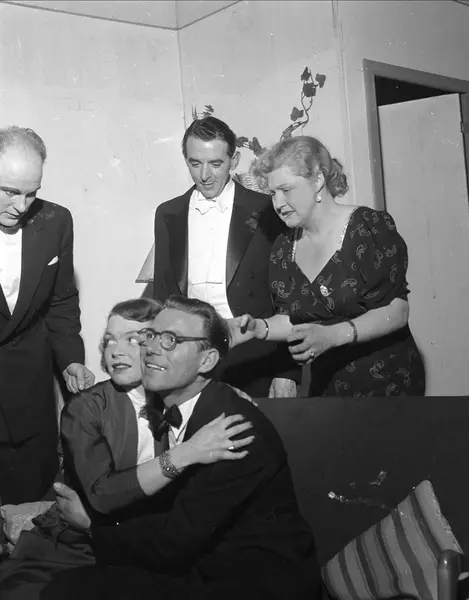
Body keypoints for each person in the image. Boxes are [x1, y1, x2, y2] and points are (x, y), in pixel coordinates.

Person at [42, 296, 322, 600]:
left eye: (171, 340)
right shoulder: (168, 404)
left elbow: (173, 542)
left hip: (250, 582)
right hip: (197, 563)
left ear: (207, 361)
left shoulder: (231, 430)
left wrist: (92, 527)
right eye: (150, 335)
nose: (151, 348)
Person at [0, 297, 254, 599]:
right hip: (75, 549)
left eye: (133, 339)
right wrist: (183, 455)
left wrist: (227, 394)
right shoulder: (86, 408)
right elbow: (102, 495)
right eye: (110, 340)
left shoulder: (183, 399)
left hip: (154, 547)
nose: (116, 350)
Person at [232, 135, 426, 397]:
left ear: (318, 181)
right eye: (273, 193)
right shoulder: (284, 247)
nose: (277, 203)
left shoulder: (366, 228)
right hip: (328, 386)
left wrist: (332, 336)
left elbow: (397, 311)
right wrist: (260, 328)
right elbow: (292, 320)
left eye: (286, 190)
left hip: (387, 382)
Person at [152, 116, 297, 398]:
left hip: (253, 354)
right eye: (195, 163)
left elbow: (288, 297)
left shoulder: (267, 210)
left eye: (216, 164)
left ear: (234, 160)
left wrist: (286, 371)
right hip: (188, 354)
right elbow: (163, 294)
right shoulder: (168, 213)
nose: (205, 175)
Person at [0, 126, 95, 505]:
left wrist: (71, 359)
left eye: (31, 193)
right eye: (9, 192)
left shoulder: (56, 221)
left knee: (33, 508)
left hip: (31, 395)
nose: (22, 206)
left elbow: (61, 302)